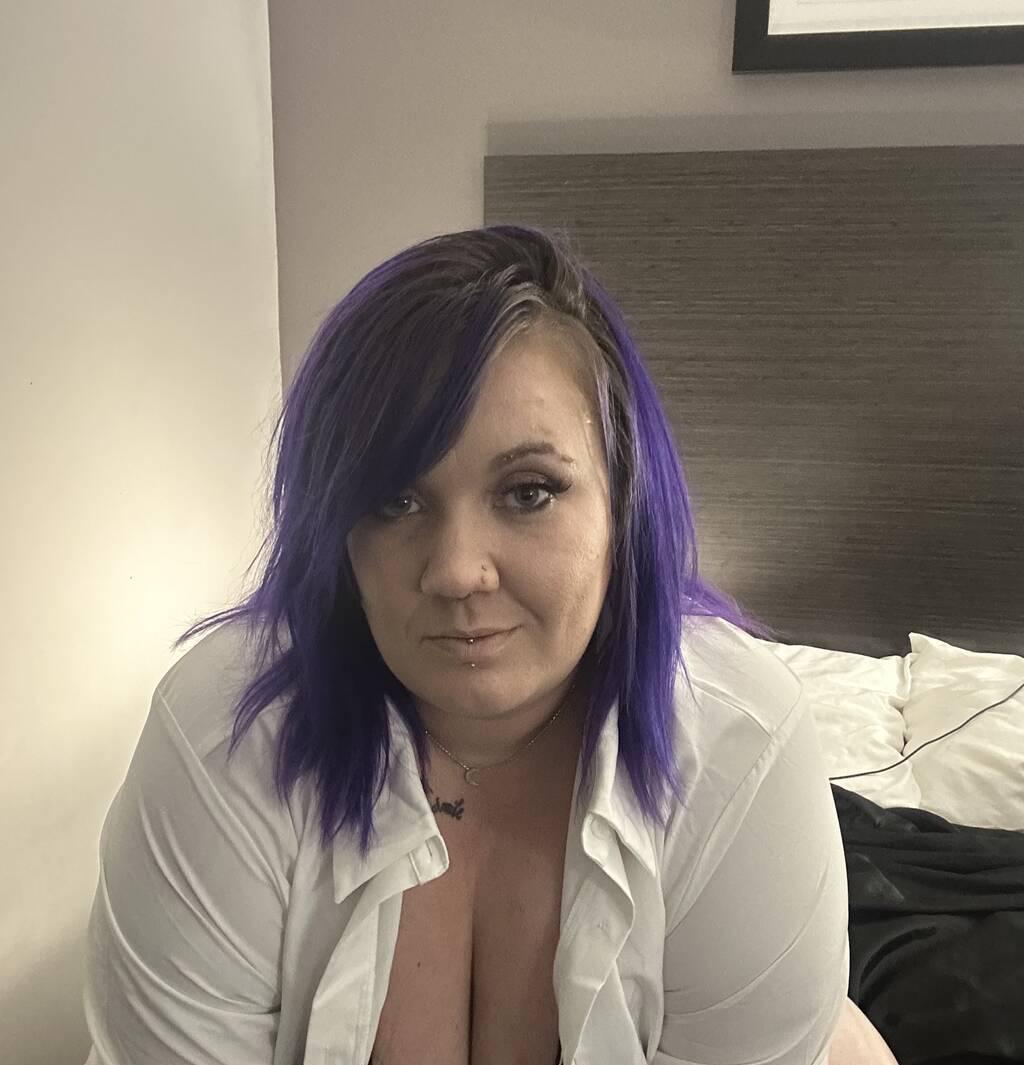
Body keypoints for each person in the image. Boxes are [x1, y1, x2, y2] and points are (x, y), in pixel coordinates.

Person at [81, 224, 898, 1065]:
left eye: (528, 491)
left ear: (623, 497)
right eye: (394, 501)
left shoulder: (739, 748)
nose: (456, 571)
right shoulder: (224, 737)